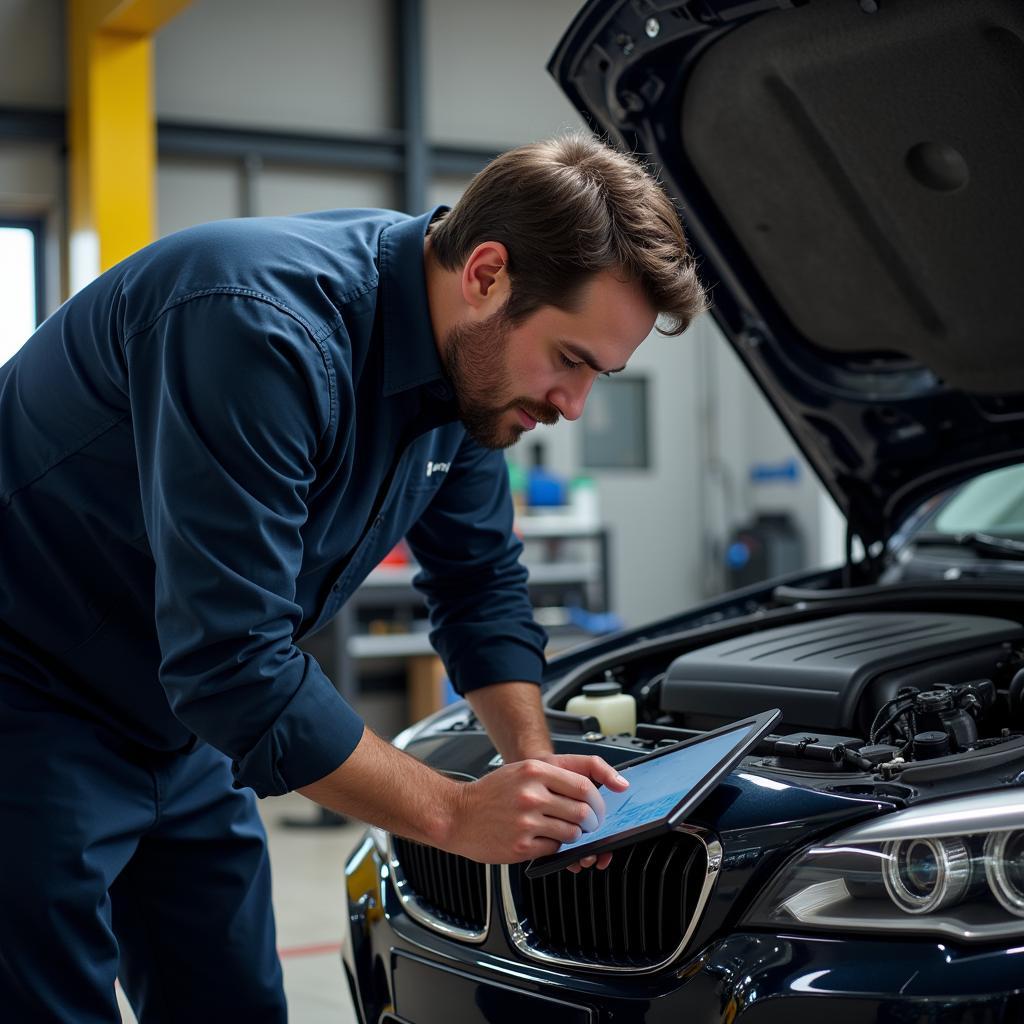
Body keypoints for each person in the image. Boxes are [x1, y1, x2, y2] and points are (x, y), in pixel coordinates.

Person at [0, 131, 705, 1021]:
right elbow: (232, 663)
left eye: (600, 374)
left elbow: (480, 583)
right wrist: (454, 815)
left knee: (233, 998)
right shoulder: (259, 325)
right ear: (487, 273)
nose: (574, 406)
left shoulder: (470, 381)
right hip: (27, 694)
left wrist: (535, 774)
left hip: (180, 720)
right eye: (569, 360)